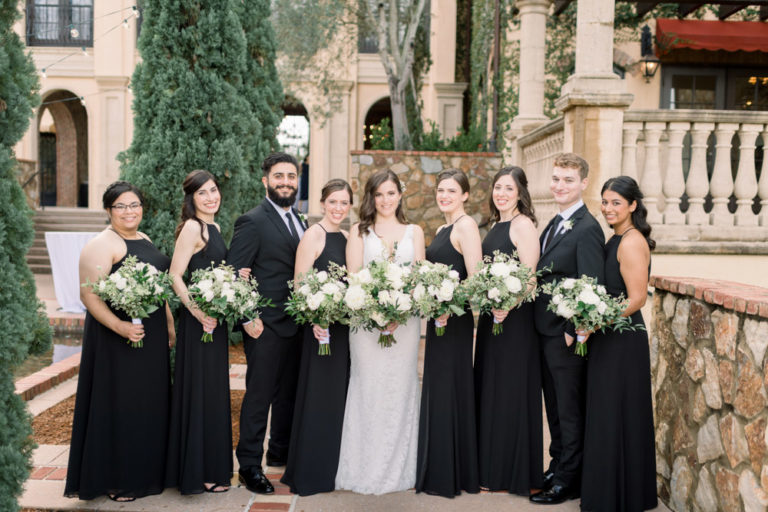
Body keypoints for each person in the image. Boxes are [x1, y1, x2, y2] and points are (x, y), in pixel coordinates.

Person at [65, 181, 174, 502]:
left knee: (149, 403)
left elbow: (159, 288)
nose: (130, 211)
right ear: (109, 210)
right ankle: (120, 479)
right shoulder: (101, 244)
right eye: (121, 206)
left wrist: (168, 325)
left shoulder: (144, 238)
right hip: (118, 340)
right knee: (124, 405)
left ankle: (149, 471)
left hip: (150, 337)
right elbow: (88, 294)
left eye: (135, 204)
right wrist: (120, 327)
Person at [335, 169, 426, 495]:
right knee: (368, 388)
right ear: (371, 198)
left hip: (405, 324)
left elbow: (419, 278)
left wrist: (400, 312)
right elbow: (355, 277)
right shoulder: (359, 231)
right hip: (365, 324)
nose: (385, 200)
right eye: (379, 194)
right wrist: (377, 313)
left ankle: (401, 470)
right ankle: (362, 470)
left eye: (391, 193)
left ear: (400, 195)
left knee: (400, 389)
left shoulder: (415, 232)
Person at [228, 152, 307, 494]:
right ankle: (248, 465)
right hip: (265, 325)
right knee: (259, 396)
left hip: (298, 324)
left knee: (288, 395)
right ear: (266, 181)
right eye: (279, 176)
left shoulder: (302, 221)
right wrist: (248, 318)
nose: (286, 182)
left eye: (291, 176)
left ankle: (279, 453)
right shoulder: (252, 221)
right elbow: (235, 274)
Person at [531, 153, 605, 505]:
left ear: (583, 184)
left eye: (568, 180)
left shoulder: (588, 228)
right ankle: (557, 464)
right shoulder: (554, 223)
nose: (560, 185)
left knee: (569, 409)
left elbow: (591, 285)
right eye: (556, 179)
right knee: (555, 408)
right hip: (543, 332)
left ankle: (568, 480)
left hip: (564, 336)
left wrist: (573, 327)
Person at [580, 176, 657, 511]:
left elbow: (637, 299)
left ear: (632, 206)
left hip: (624, 339)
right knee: (606, 413)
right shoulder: (614, 239)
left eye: (616, 203)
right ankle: (609, 492)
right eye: (605, 201)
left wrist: (596, 320)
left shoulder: (631, 241)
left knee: (619, 412)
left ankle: (625, 495)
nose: (608, 208)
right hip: (607, 337)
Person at [474, 166, 543, 495]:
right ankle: (490, 469)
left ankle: (510, 474)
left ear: (520, 193)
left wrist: (509, 303)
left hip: (515, 320)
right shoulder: (496, 224)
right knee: (492, 390)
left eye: (508, 188)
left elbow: (530, 277)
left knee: (511, 393)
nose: (501, 193)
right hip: (492, 318)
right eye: (497, 187)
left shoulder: (523, 224)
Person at [281, 179, 353, 496]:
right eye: (333, 202)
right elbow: (299, 285)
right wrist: (315, 319)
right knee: (318, 396)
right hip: (319, 329)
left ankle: (333, 467)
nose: (338, 208)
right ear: (323, 203)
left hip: (342, 330)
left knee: (338, 398)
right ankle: (311, 471)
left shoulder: (349, 237)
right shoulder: (314, 235)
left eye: (344, 203)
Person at [415, 169, 482, 497]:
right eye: (441, 190)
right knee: (438, 388)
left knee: (449, 388)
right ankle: (438, 466)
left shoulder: (466, 226)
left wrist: (447, 302)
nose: (444, 195)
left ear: (465, 195)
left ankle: (449, 473)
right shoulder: (444, 227)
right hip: (439, 318)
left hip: (454, 320)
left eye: (452, 191)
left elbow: (475, 277)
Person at [165, 170, 232, 494]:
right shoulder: (193, 227)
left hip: (215, 323)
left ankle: (213, 468)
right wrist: (196, 311)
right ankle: (196, 471)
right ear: (192, 199)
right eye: (202, 193)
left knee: (214, 392)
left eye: (214, 190)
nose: (211, 197)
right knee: (200, 392)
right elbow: (176, 275)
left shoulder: (215, 227)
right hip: (198, 323)